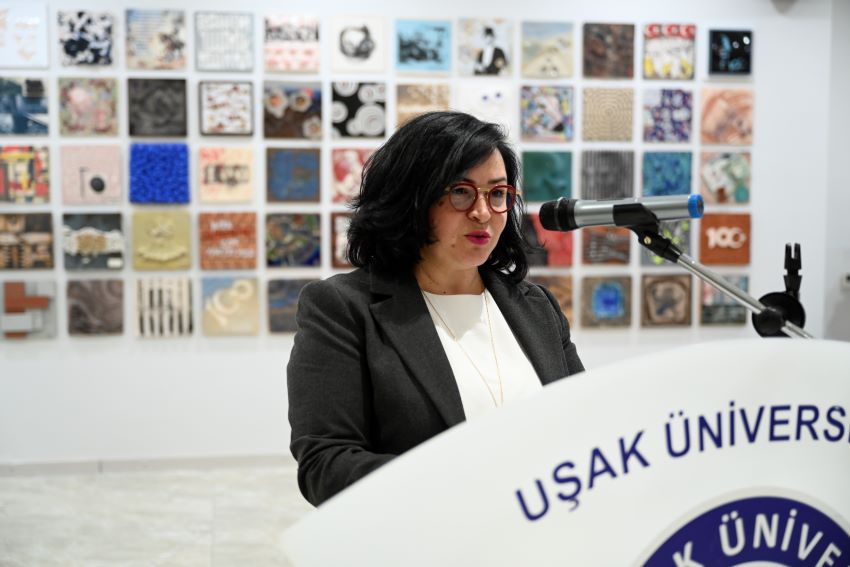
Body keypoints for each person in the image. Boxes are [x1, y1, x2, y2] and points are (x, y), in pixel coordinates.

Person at [287, 111, 584, 507]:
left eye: (497, 194)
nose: (482, 212)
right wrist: (462, 484)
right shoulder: (342, 308)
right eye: (461, 192)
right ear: (411, 198)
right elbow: (325, 464)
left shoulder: (536, 307)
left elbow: (584, 424)